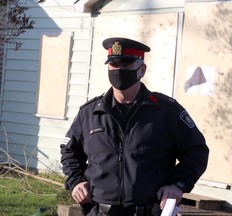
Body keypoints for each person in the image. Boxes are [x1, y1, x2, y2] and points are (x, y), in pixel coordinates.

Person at [60, 37, 209, 216]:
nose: (119, 70)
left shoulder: (166, 112)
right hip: (100, 211)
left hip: (148, 211)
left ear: (142, 70)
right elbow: (69, 151)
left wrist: (177, 185)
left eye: (126, 64)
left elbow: (197, 152)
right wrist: (76, 181)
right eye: (114, 64)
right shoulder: (90, 113)